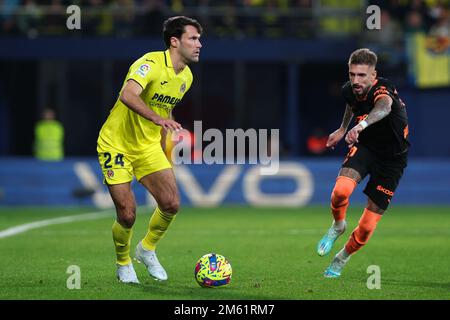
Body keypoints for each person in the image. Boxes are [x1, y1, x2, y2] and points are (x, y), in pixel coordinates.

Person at [96, 16, 202, 283]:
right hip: (116, 143)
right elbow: (128, 95)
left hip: (147, 145)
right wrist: (156, 119)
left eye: (199, 39)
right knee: (128, 214)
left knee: (171, 203)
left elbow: (163, 107)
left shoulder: (186, 77)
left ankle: (147, 249)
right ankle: (123, 263)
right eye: (193, 38)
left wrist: (164, 128)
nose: (199, 44)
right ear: (174, 41)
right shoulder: (150, 63)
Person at [317, 48, 409, 278]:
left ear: (373, 75)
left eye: (362, 76)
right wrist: (342, 128)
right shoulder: (349, 89)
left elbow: (384, 107)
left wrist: (360, 126)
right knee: (340, 192)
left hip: (392, 159)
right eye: (352, 74)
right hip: (366, 147)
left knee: (367, 227)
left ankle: (342, 257)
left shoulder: (383, 89)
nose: (355, 81)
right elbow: (352, 103)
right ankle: (338, 225)